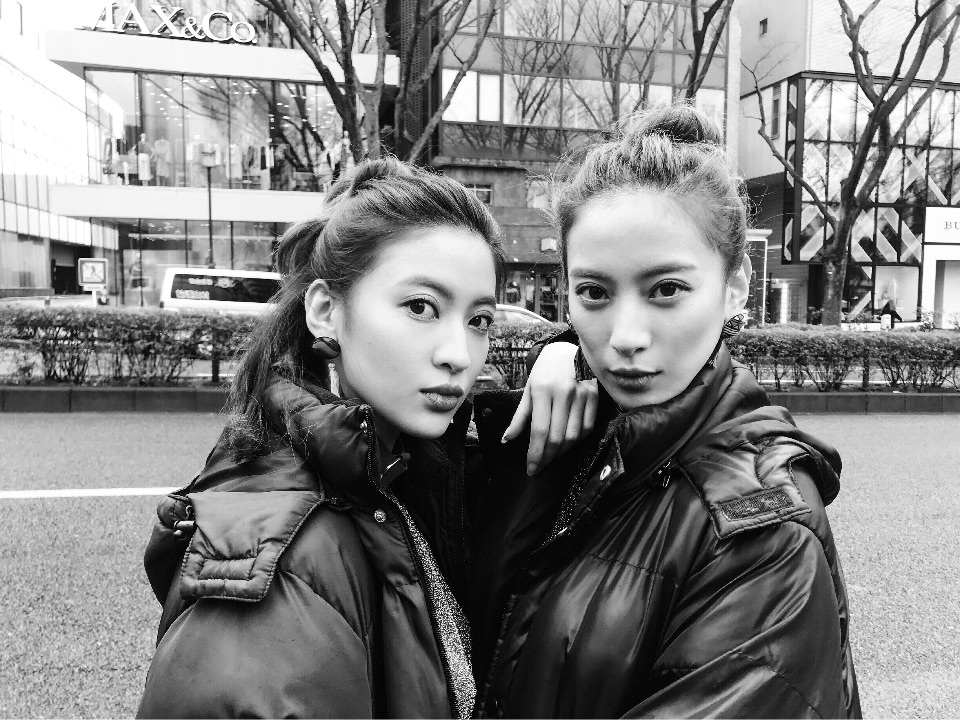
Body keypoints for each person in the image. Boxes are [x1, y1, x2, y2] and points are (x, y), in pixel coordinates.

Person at [136, 157, 593, 718]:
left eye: (479, 320)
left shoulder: (407, 469)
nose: (459, 354)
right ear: (326, 311)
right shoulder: (279, 556)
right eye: (421, 307)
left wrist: (571, 356)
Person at [469, 103, 862, 718]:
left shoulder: (763, 533)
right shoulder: (574, 433)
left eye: (667, 290)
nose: (625, 337)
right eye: (593, 292)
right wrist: (561, 355)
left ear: (735, 286)